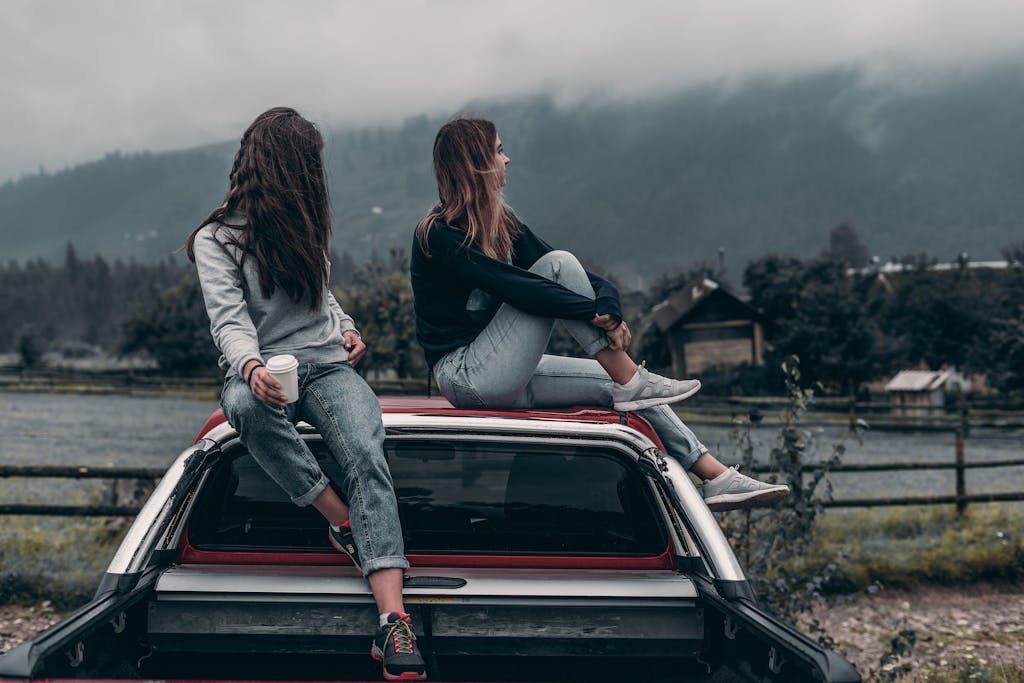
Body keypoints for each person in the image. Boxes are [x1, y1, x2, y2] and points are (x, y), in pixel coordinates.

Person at [410, 116, 789, 511]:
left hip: (505, 371)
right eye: (499, 151)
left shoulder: (501, 222)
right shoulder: (438, 234)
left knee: (621, 390)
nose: (508, 160)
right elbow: (518, 287)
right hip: (465, 375)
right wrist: (594, 313)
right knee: (558, 266)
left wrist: (609, 305)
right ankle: (631, 378)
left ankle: (716, 476)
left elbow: (576, 275)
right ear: (478, 163)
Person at [187, 107, 426, 682]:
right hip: (263, 373)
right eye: (308, 165)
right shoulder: (216, 239)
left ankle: (393, 620)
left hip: (328, 367)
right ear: (285, 168)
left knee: (367, 454)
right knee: (241, 408)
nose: (316, 175)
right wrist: (249, 367)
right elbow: (229, 320)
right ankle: (339, 518)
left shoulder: (305, 224)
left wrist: (348, 327)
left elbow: (324, 296)